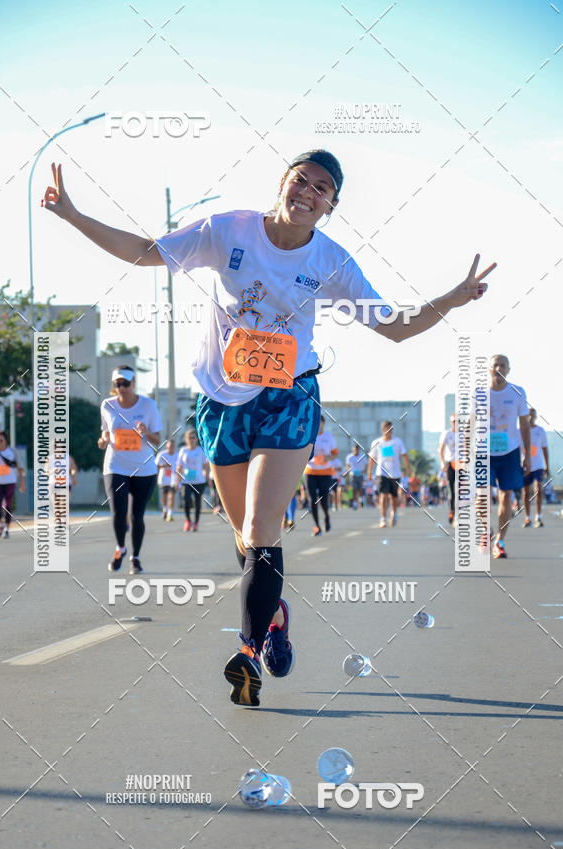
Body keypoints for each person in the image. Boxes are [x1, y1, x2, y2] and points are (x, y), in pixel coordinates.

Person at [43, 150, 495, 706]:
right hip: (222, 400)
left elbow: (394, 327)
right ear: (282, 182)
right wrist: (71, 214)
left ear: (330, 206)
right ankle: (275, 615)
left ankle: (248, 649)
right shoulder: (226, 230)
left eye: (322, 188)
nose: (308, 191)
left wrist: (455, 295)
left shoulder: (331, 259)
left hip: (290, 396)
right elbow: (143, 252)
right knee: (247, 538)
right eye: (301, 179)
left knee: (261, 525)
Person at [98, 366, 162, 574]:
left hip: (143, 468)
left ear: (133, 383)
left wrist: (145, 432)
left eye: (126, 383)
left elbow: (158, 440)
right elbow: (105, 434)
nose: (122, 388)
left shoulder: (148, 405)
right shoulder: (107, 405)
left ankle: (135, 557)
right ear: (114, 386)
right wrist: (103, 440)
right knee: (118, 512)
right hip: (115, 465)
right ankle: (120, 548)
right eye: (118, 384)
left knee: (137, 516)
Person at [488, 354, 530, 559]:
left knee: (506, 496)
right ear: (489, 369)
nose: (498, 368)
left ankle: (500, 541)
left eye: (502, 365)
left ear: (508, 370)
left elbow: (524, 424)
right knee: (482, 495)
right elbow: (469, 424)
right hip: (484, 452)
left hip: (510, 452)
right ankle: (485, 530)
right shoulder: (479, 394)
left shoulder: (517, 392)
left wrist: (527, 456)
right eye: (495, 364)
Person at [0, 430, 25, 539]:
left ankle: (7, 528)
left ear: (6, 440)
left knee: (7, 505)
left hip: (10, 481)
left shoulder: (12, 452)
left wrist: (21, 482)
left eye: (1, 440)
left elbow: (20, 468)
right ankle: (0, 524)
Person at [367, 421, 410, 528]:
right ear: (383, 430)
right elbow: (372, 458)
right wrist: (369, 471)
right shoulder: (376, 442)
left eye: (391, 429)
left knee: (394, 497)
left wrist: (408, 467)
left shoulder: (397, 442)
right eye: (387, 429)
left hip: (395, 473)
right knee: (383, 495)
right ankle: (383, 519)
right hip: (381, 473)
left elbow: (404, 455)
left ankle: (394, 514)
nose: (389, 432)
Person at [305, 415, 339, 536]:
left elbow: (335, 453)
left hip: (325, 472)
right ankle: (316, 526)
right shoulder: (308, 435)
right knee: (312, 500)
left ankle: (326, 517)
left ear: (323, 423)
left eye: (320, 422)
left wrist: (327, 458)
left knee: (323, 500)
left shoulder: (328, 437)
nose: (317, 424)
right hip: (310, 471)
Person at [175, 429, 210, 532]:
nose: (191, 440)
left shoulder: (200, 450)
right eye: (189, 438)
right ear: (186, 439)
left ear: (196, 439)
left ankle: (196, 523)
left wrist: (208, 479)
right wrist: (177, 480)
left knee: (197, 502)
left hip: (199, 481)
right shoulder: (183, 450)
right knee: (186, 500)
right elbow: (179, 467)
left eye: (193, 437)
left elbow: (206, 466)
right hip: (186, 481)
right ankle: (188, 521)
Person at [522, 407, 549, 528]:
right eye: (529, 415)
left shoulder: (540, 431)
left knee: (538, 489)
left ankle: (538, 517)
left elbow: (544, 448)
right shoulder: (519, 431)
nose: (531, 417)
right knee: (526, 492)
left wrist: (547, 465)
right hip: (524, 466)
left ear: (536, 416)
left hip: (538, 466)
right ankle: (528, 518)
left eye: (533, 415)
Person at [439, 413, 458, 523]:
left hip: (462, 463)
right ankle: (452, 510)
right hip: (451, 463)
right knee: (452, 489)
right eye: (454, 421)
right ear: (451, 423)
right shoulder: (447, 434)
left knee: (460, 490)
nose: (456, 423)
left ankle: (459, 513)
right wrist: (442, 463)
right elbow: (441, 450)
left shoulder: (465, 433)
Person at [155, 439, 178, 521]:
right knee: (164, 496)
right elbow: (155, 466)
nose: (171, 447)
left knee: (171, 496)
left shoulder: (177, 455)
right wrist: (164, 466)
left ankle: (170, 513)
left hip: (173, 479)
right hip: (163, 479)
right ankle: (164, 509)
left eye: (172, 446)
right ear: (166, 446)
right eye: (170, 445)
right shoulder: (161, 454)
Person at [346, 442, 366, 509]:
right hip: (353, 475)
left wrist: (363, 471)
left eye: (356, 450)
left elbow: (366, 465)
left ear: (358, 450)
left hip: (360, 475)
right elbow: (347, 466)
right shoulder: (349, 457)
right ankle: (354, 504)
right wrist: (351, 470)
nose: (355, 451)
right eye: (354, 450)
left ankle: (361, 501)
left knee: (360, 489)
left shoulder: (362, 456)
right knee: (354, 489)